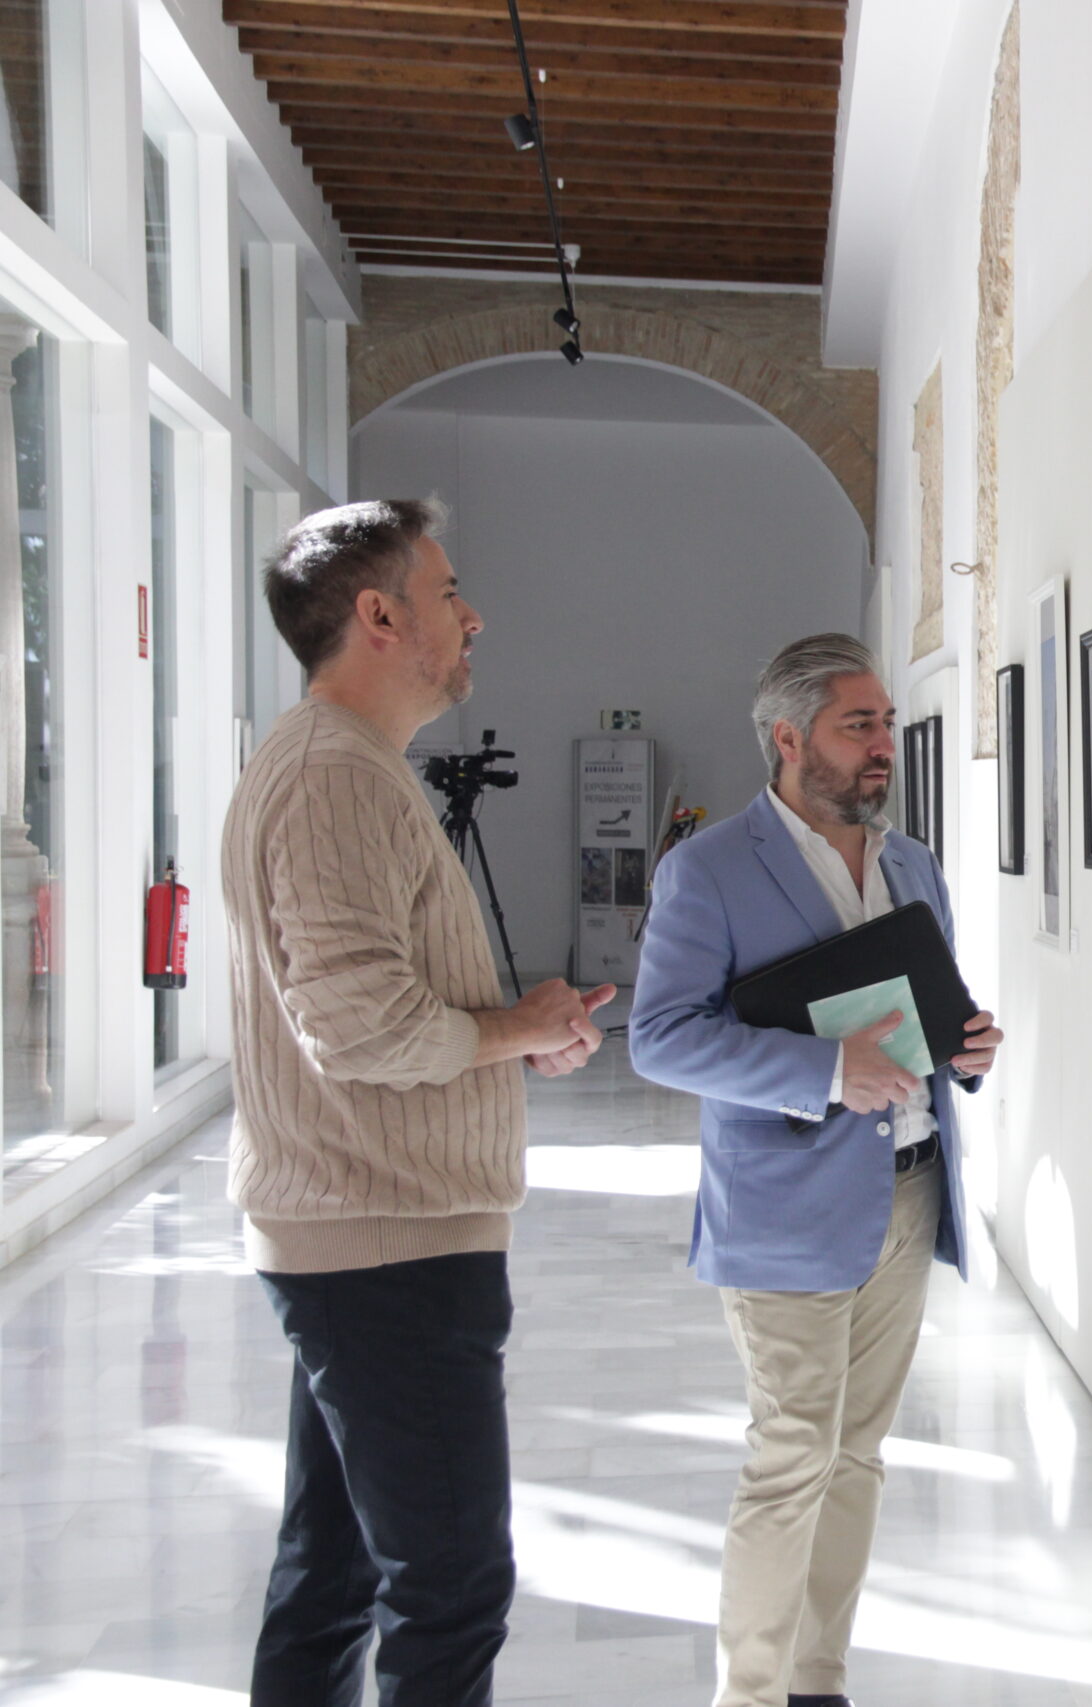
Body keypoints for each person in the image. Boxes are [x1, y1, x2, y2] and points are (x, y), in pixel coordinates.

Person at [225, 499, 614, 1707]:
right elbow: (356, 1023)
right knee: (448, 1594)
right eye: (450, 592)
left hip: (362, 1235)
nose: (473, 614)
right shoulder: (336, 777)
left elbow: (373, 1007)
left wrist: (512, 1038)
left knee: (332, 1579)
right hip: (387, 1246)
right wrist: (510, 1029)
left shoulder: (340, 767)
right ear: (379, 615)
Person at [628, 632, 1002, 1707]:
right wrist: (821, 1071)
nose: (884, 744)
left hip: (910, 1185)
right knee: (792, 1456)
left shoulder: (912, 863)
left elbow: (932, 1012)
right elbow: (660, 1038)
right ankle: (747, 1694)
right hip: (786, 1207)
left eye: (885, 722)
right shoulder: (706, 870)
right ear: (787, 739)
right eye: (860, 724)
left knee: (858, 1457)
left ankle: (816, 1682)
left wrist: (963, 1050)